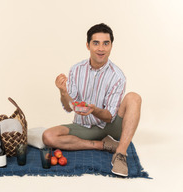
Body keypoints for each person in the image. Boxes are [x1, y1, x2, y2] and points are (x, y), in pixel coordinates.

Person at [42, 23, 142, 177]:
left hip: (111, 125)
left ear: (111, 46)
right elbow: (69, 107)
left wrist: (94, 110)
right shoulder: (76, 69)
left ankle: (120, 153)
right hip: (83, 126)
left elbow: (109, 116)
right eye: (96, 43)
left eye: (105, 43)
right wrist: (63, 91)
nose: (101, 48)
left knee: (134, 97)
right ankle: (102, 145)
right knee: (47, 136)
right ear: (88, 45)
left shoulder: (117, 76)